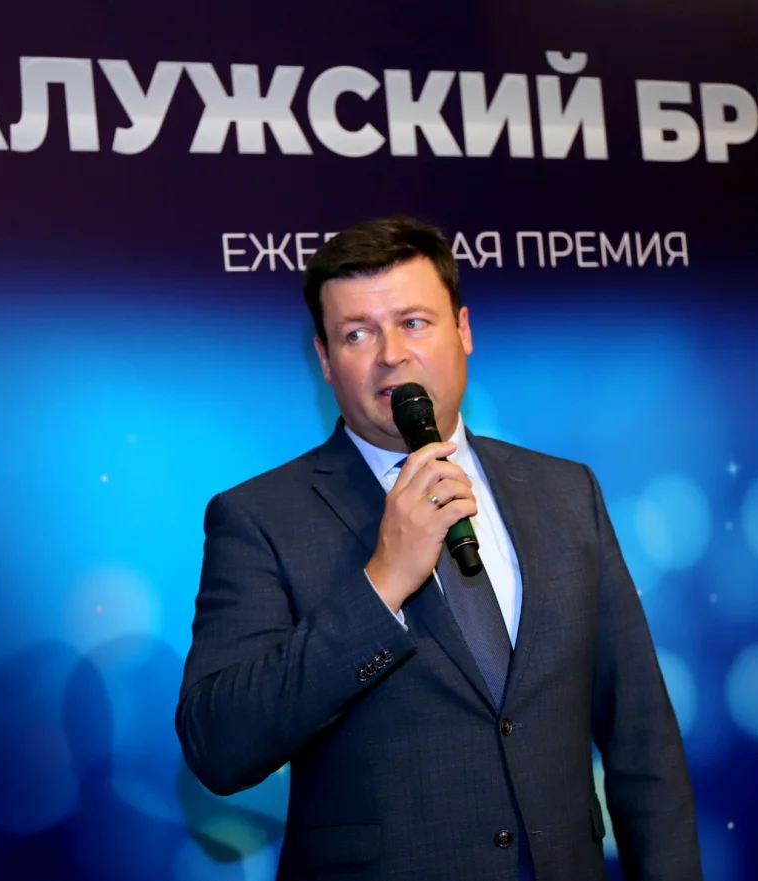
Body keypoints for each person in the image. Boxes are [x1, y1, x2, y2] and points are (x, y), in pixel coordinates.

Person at [176, 216, 703, 880]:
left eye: (414, 322)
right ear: (325, 360)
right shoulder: (259, 517)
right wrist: (380, 586)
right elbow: (219, 745)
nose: (391, 354)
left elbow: (642, 739)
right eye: (357, 333)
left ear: (463, 330)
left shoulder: (567, 492)